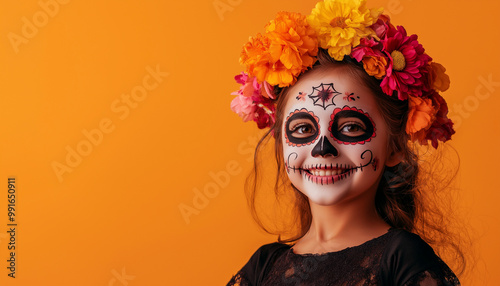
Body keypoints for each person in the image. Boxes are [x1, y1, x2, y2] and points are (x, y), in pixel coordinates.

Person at [227, 0, 464, 285]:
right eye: (303, 129)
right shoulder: (264, 266)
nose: (322, 149)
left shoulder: (404, 261)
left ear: (395, 146)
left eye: (351, 127)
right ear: (282, 145)